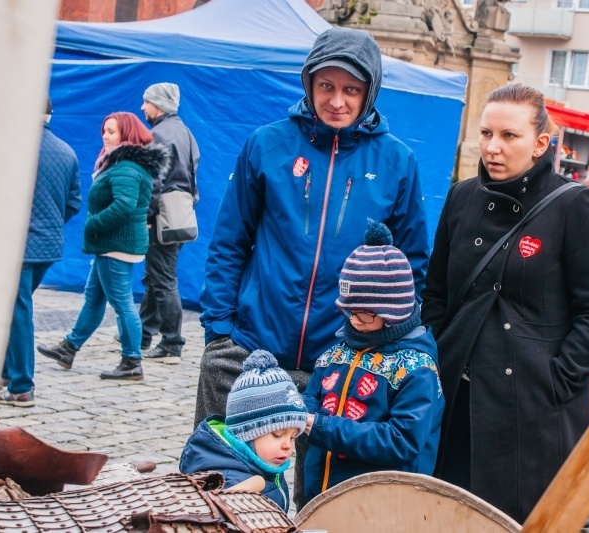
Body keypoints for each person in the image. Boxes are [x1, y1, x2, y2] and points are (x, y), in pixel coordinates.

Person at [194, 27, 430, 511]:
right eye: (326, 86)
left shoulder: (396, 161)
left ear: (370, 91)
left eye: (350, 89)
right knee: (223, 482)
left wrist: (381, 344)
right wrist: (221, 332)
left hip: (338, 363)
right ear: (309, 84)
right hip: (252, 348)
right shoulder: (267, 144)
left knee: (314, 495)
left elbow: (412, 266)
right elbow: (229, 241)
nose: (337, 101)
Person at [421, 84, 589, 523]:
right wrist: (435, 356)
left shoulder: (575, 205)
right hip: (457, 397)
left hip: (533, 411)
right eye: (487, 133)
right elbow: (435, 292)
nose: (493, 147)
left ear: (540, 144)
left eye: (509, 136)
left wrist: (557, 382)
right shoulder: (461, 197)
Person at [302, 220, 444, 501]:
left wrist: (320, 427)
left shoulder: (417, 369)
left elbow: (402, 441)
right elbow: (312, 397)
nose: (354, 320)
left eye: (365, 314)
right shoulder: (338, 352)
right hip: (322, 494)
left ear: (392, 311)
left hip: (382, 505)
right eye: (349, 311)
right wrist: (294, 411)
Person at [37, 112, 166, 380]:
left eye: (112, 131)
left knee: (122, 304)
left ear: (126, 134)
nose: (105, 136)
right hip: (111, 244)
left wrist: (93, 224)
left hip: (115, 245)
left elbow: (124, 205)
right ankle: (69, 348)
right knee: (94, 298)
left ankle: (132, 361)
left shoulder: (126, 167)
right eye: (104, 131)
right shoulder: (122, 162)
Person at [0, 97, 81, 407]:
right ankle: (6, 371)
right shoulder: (67, 151)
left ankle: (21, 386)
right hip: (48, 245)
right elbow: (73, 203)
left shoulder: (12, 146)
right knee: (13, 308)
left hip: (16, 245)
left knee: (17, 312)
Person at [180, 349, 306, 511]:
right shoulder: (230, 482)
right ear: (245, 434)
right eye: (277, 435)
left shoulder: (265, 461)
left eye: (292, 437)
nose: (287, 446)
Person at [137, 82, 200, 363]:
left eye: (146, 102)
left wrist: (146, 217)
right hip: (180, 215)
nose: (143, 107)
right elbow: (193, 173)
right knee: (156, 276)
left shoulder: (157, 134)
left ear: (159, 105)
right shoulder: (185, 131)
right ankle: (144, 333)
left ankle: (172, 342)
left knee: (162, 280)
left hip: (162, 217)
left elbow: (153, 182)